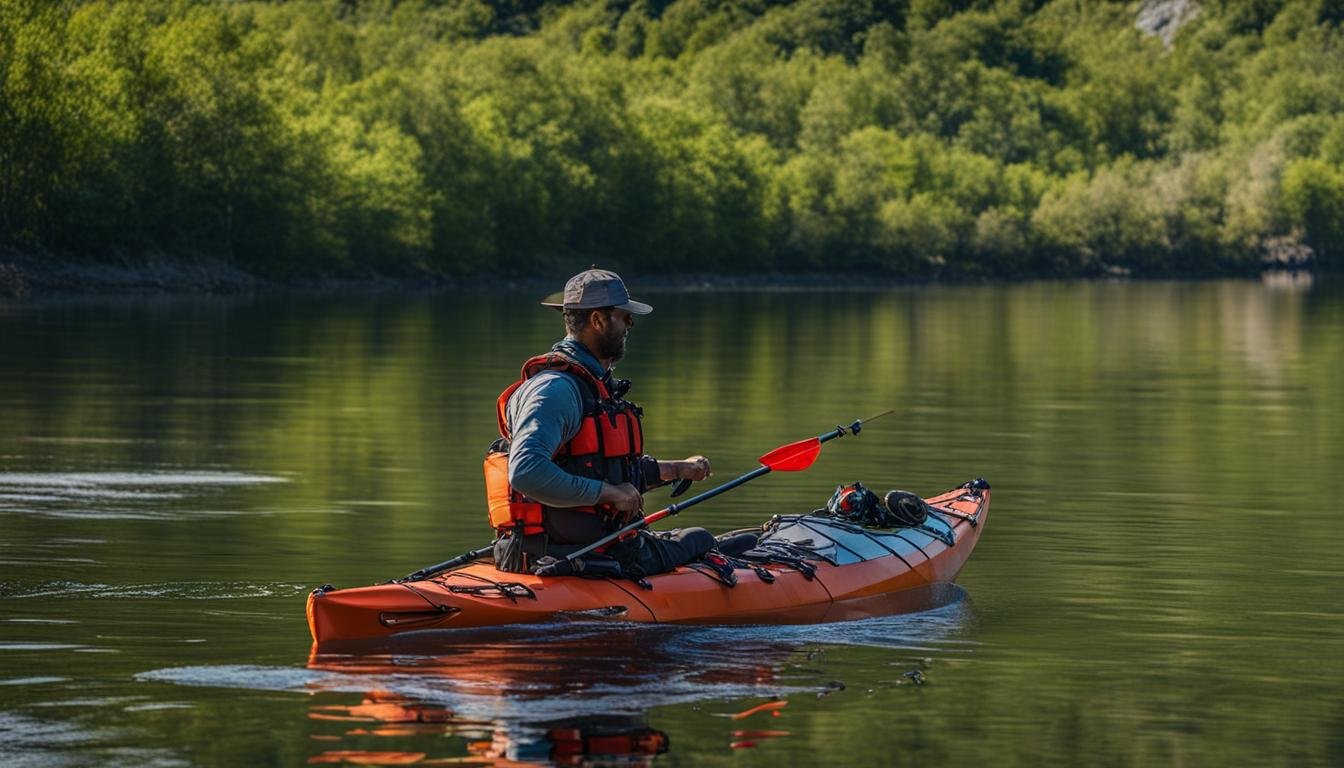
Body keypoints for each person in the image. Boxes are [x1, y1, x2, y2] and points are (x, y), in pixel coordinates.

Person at [484, 268, 717, 576]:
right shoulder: (557, 390)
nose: (630, 323)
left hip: (577, 549)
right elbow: (527, 472)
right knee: (701, 540)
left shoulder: (591, 385)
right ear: (597, 320)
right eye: (624, 316)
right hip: (583, 556)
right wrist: (610, 494)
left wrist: (678, 469)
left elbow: (596, 467)